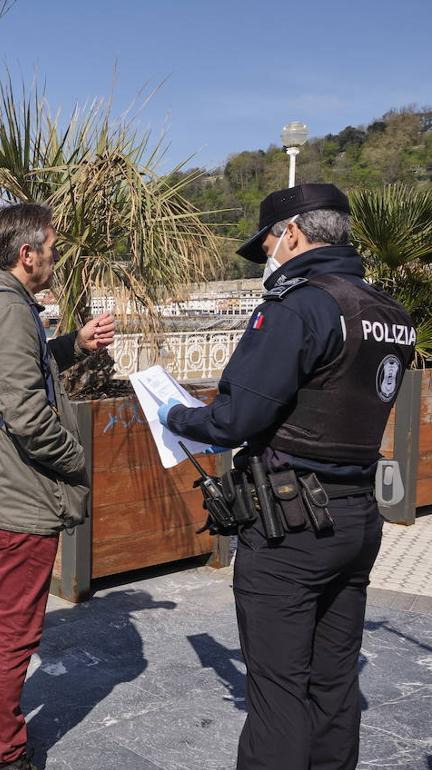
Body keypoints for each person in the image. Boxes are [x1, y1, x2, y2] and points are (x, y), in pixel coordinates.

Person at [159, 183, 416, 770]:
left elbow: (237, 418)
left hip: (290, 525)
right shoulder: (388, 313)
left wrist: (173, 414)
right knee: (335, 681)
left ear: (292, 234)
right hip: (356, 515)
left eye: (269, 244)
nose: (268, 257)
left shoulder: (298, 306)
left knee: (278, 691)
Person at [0, 203, 115, 770]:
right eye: (51, 247)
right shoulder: (11, 310)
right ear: (27, 254)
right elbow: (25, 413)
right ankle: (3, 752)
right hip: (21, 497)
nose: (54, 257)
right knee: (12, 632)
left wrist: (75, 344)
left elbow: (20, 368)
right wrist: (76, 459)